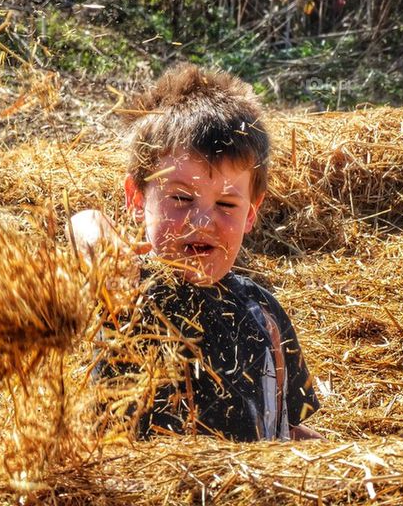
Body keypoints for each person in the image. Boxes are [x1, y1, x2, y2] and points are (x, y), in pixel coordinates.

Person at [70, 64, 321, 441]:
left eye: (227, 204)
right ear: (137, 199)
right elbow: (81, 228)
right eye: (181, 198)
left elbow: (286, 427)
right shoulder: (125, 291)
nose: (202, 221)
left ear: (251, 212)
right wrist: (96, 239)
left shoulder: (264, 313)